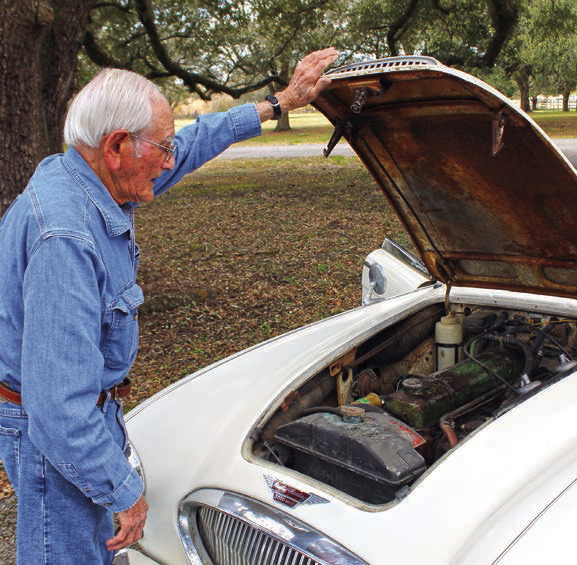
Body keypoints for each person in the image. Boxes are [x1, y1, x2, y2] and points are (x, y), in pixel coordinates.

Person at [0, 47, 339, 564]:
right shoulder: (65, 238)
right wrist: (122, 492)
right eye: (162, 147)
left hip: (76, 420)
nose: (170, 160)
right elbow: (59, 410)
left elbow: (196, 141)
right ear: (117, 145)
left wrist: (279, 103)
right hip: (56, 438)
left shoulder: (90, 176)